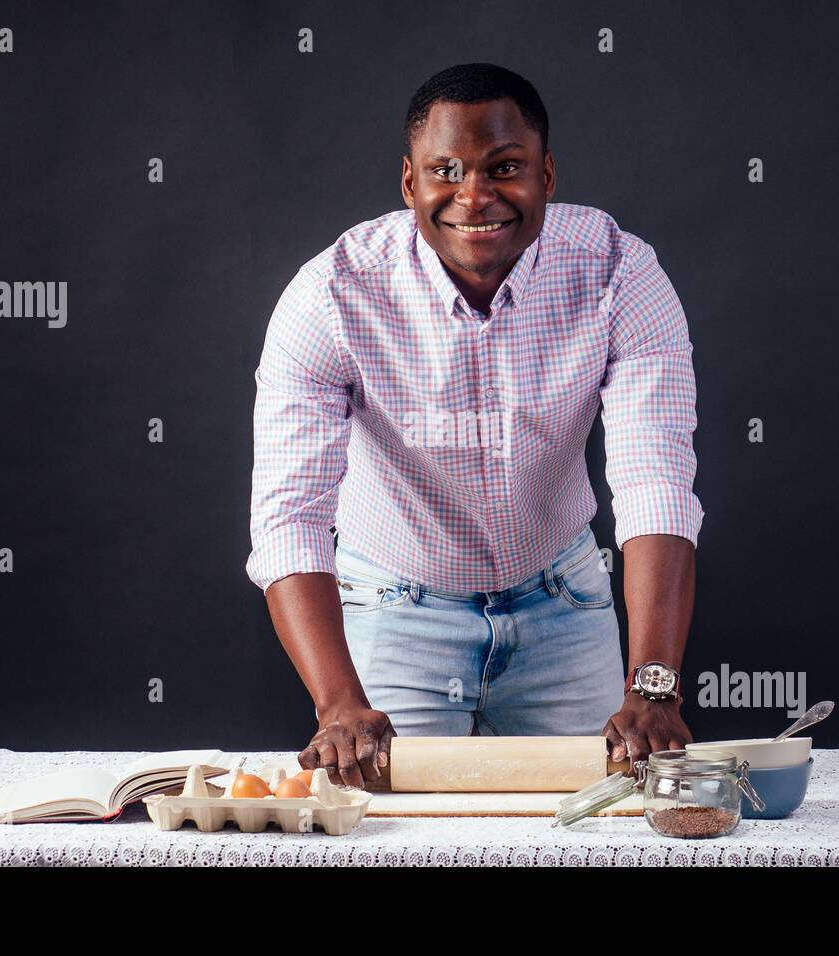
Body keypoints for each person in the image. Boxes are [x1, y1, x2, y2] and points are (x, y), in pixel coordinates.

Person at [246, 63, 703, 788]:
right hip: (396, 612)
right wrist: (337, 703)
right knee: (395, 841)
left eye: (505, 167)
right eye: (446, 171)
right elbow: (289, 519)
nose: (475, 195)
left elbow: (656, 483)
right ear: (410, 185)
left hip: (566, 605)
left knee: (601, 828)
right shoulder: (331, 295)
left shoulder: (619, 272)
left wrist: (653, 687)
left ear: (546, 175)